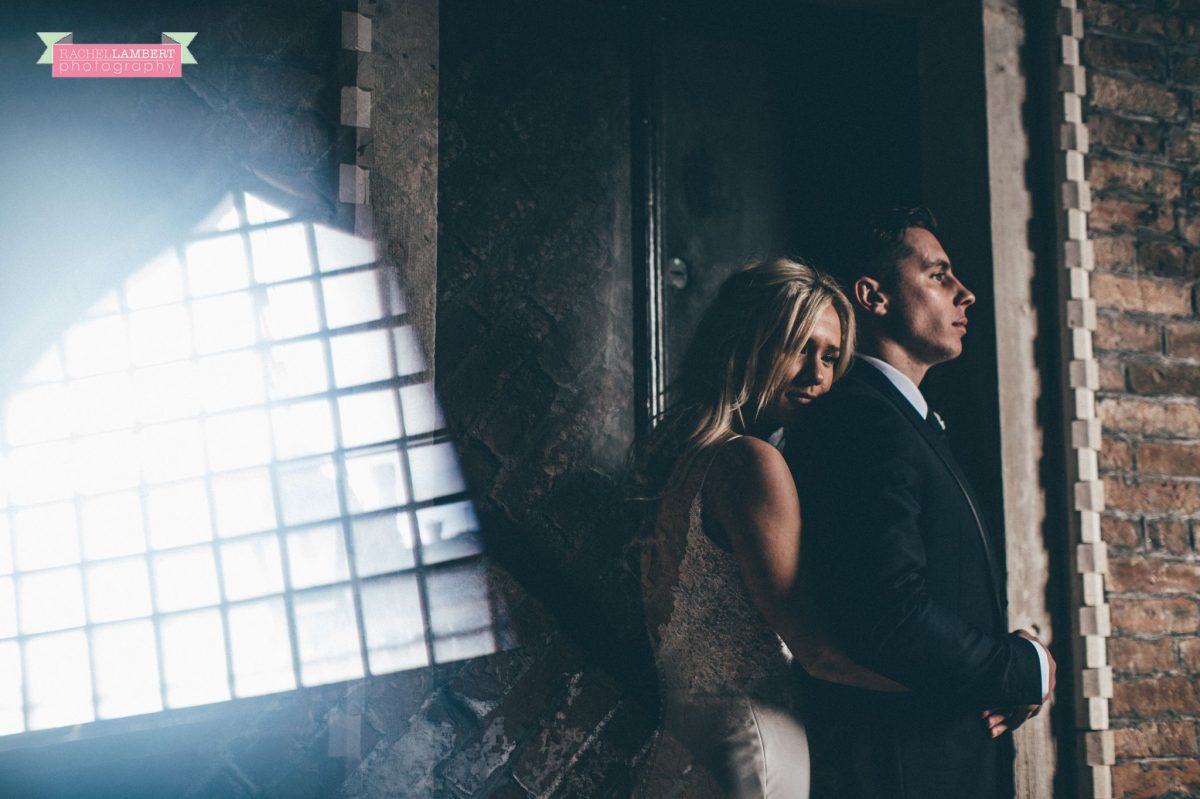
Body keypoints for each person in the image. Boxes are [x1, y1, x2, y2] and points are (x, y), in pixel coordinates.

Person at [789, 207, 1056, 799]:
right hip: (903, 770)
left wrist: (999, 677)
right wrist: (1021, 668)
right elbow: (889, 615)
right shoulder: (863, 419)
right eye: (939, 276)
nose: (966, 294)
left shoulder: (905, 422)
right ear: (874, 296)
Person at [633, 257, 901, 799]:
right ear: (746, 342)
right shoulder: (750, 463)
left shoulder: (682, 458)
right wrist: (958, 688)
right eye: (798, 346)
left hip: (683, 743)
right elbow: (820, 652)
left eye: (830, 357)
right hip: (757, 744)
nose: (818, 375)